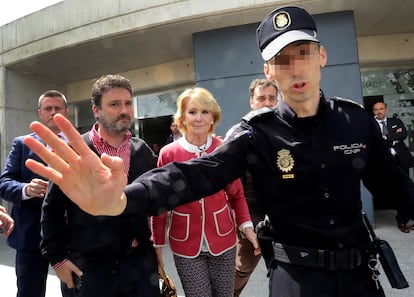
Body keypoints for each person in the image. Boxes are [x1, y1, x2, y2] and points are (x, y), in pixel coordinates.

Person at [22, 6, 414, 297]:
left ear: (322, 56)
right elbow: (194, 173)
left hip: (361, 277)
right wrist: (124, 199)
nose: (295, 68)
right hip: (298, 279)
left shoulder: (356, 121)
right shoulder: (255, 133)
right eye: (282, 59)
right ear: (268, 69)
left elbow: (392, 184)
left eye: (304, 54)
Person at [40, 74, 160, 297]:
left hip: (139, 265)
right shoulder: (75, 151)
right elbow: (51, 209)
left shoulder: (142, 150)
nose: (123, 110)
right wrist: (57, 259)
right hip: (90, 270)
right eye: (114, 104)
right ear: (96, 110)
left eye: (127, 103)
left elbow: (153, 198)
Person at [151, 87, 259, 297]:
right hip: (185, 242)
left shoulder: (224, 149)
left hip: (224, 239)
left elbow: (236, 194)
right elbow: (160, 202)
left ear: (213, 117)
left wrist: (247, 228)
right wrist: (157, 244)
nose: (198, 118)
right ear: (182, 117)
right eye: (192, 112)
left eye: (205, 112)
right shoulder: (168, 153)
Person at [0, 90, 69, 297]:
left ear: (66, 111)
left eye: (58, 108)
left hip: (71, 235)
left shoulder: (81, 144)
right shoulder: (22, 144)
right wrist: (25, 189)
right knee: (29, 292)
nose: (53, 112)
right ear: (40, 112)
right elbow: (4, 182)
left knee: (75, 290)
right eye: (48, 109)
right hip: (31, 235)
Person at [233, 78, 278, 297]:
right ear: (252, 101)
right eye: (261, 98)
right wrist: (241, 220)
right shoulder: (238, 133)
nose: (267, 103)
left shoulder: (288, 131)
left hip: (283, 212)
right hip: (252, 213)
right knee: (243, 267)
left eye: (272, 98)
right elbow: (229, 181)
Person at [372, 101, 414, 233]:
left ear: (386, 109)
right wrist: (393, 138)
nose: (379, 111)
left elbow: (403, 135)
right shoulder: (371, 125)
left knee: (407, 190)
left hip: (401, 161)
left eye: (381, 109)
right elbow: (374, 140)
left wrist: (385, 137)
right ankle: (402, 219)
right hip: (385, 164)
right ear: (373, 112)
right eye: (376, 110)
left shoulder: (396, 121)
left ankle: (403, 220)